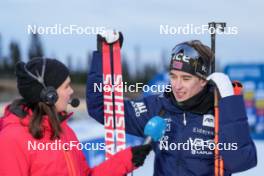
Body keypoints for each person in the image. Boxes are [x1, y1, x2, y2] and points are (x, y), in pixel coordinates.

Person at [86, 34, 257, 175]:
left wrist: (229, 100)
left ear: (203, 81)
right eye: (173, 76)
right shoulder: (158, 107)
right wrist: (105, 57)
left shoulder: (221, 111)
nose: (177, 85)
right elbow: (101, 107)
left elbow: (240, 161)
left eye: (186, 78)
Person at [0, 58, 151, 176]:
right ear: (49, 95)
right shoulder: (12, 140)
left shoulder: (64, 132)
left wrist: (127, 159)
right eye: (66, 86)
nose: (71, 91)